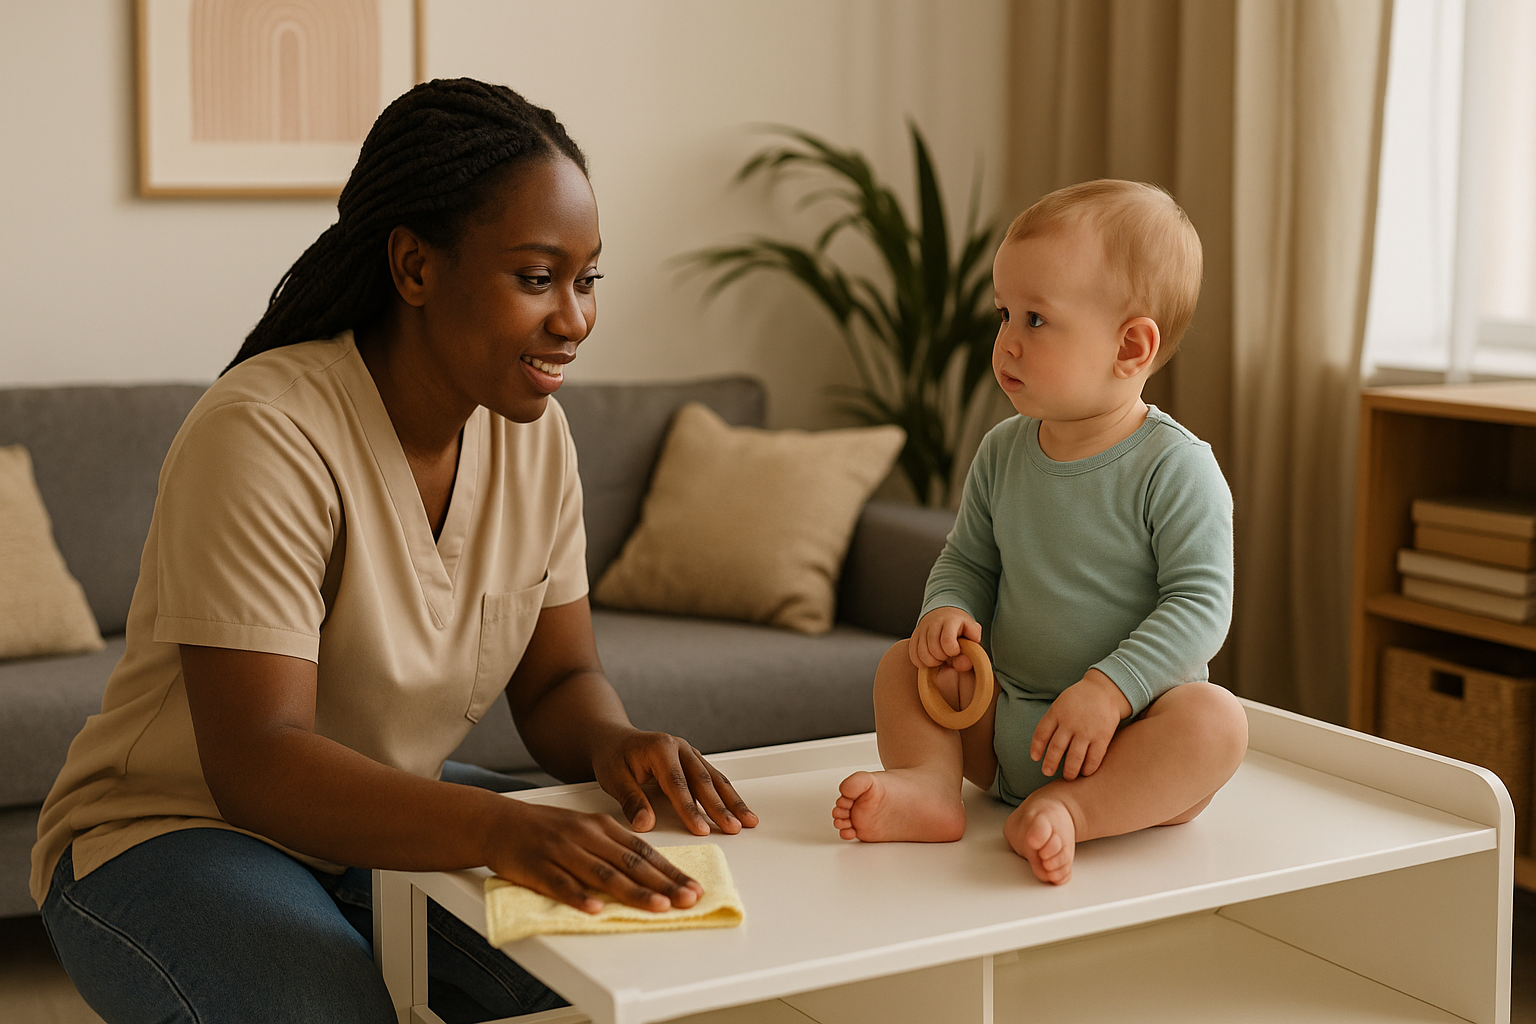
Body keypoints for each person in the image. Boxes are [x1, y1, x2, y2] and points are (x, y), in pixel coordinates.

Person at [31, 79, 758, 1024]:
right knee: (329, 1008)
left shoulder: (534, 437)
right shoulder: (265, 431)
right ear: (414, 266)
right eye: (538, 278)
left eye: (588, 280)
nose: (575, 319)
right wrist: (503, 829)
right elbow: (258, 758)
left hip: (378, 814)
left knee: (630, 941)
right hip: (172, 828)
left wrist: (615, 743)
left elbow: (555, 681)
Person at [832, 179, 1248, 885]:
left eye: (1036, 320)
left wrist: (1109, 689)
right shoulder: (1002, 450)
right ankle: (930, 787)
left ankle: (1076, 813)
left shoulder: (1177, 469)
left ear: (1131, 345)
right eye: (1003, 314)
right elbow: (968, 558)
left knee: (1217, 724)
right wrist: (948, 612)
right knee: (902, 664)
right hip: (1001, 726)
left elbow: (1200, 607)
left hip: (1123, 739)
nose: (1006, 343)